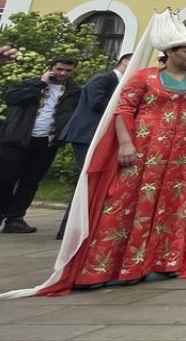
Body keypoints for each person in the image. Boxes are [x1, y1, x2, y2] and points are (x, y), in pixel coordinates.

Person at [30, 10, 186, 295]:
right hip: (145, 147)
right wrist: (126, 143)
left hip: (181, 153)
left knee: (172, 204)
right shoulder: (145, 77)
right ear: (170, 51)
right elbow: (124, 110)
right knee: (125, 202)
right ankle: (109, 266)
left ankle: (161, 261)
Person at [0, 56, 81, 234]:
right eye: (59, 69)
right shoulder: (30, 83)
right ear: (51, 68)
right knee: (5, 178)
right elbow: (11, 98)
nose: (63, 73)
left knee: (31, 181)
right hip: (18, 137)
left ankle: (15, 218)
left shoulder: (73, 91)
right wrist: (39, 84)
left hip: (47, 141)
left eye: (68, 70)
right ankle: (0, 211)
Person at [56, 53, 132, 239]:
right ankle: (69, 228)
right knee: (87, 177)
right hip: (86, 135)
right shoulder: (103, 79)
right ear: (125, 61)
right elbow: (98, 103)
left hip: (97, 135)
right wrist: (127, 106)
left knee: (91, 178)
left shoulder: (118, 81)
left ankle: (77, 226)